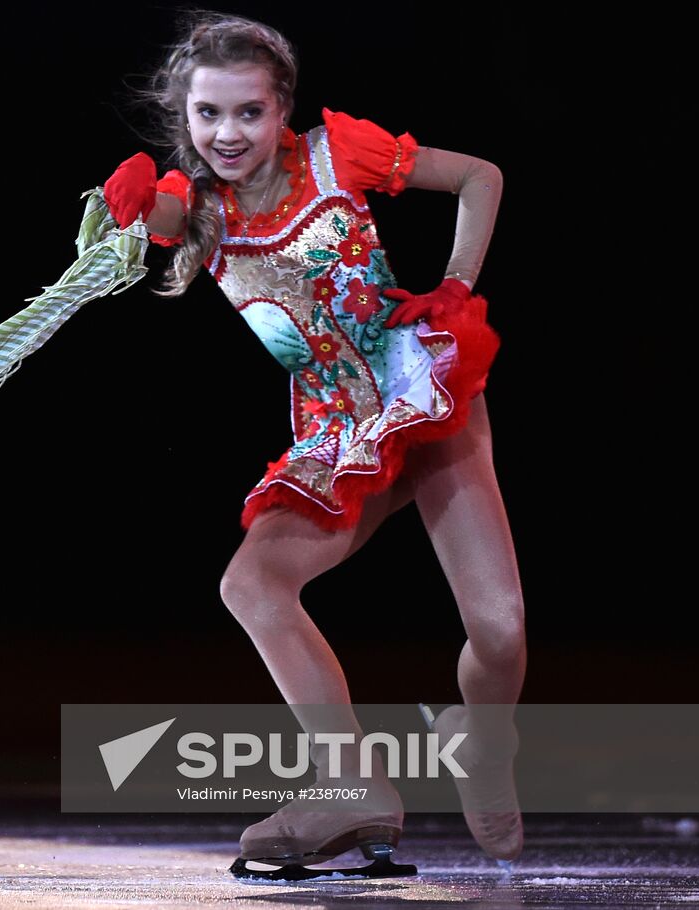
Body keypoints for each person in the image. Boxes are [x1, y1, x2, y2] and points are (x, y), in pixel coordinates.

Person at [102, 11, 526, 880]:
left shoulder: (340, 154)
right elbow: (159, 221)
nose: (227, 133)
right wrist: (131, 211)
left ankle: (482, 739)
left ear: (282, 107)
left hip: (421, 394)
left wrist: (453, 284)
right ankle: (347, 788)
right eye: (207, 114)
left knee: (502, 632)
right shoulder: (198, 203)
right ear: (184, 115)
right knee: (251, 583)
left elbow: (481, 176)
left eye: (248, 113)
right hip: (337, 434)